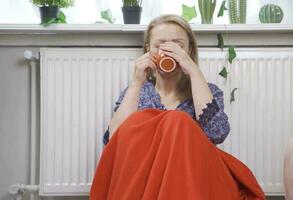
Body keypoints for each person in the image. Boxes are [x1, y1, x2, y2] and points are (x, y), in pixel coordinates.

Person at [90, 14, 265, 200]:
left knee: (177, 119)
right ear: (148, 49)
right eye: (160, 45)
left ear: (189, 50)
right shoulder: (137, 92)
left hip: (196, 179)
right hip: (146, 182)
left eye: (177, 45)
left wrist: (194, 71)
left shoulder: (206, 90)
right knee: (146, 120)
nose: (168, 51)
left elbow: (217, 133)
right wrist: (136, 82)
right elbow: (113, 143)